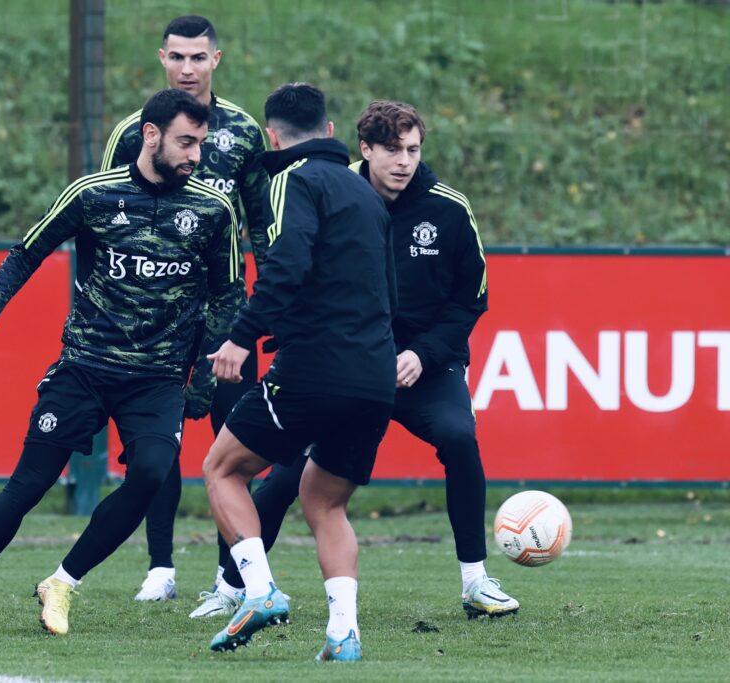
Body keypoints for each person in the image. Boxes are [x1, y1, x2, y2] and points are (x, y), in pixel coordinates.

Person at [0, 88, 243, 636]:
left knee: (149, 473)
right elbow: (24, 256)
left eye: (202, 144)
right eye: (186, 142)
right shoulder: (93, 194)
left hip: (158, 378)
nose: (196, 155)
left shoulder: (213, 208)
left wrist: (203, 381)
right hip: (84, 367)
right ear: (151, 135)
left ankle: (63, 582)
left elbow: (228, 298)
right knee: (27, 486)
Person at [194, 100, 519, 623]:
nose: (404, 161)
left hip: (422, 368)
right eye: (392, 149)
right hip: (349, 361)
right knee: (283, 480)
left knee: (460, 437)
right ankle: (232, 587)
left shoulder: (449, 209)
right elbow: (300, 270)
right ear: (363, 148)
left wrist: (422, 353)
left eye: (413, 149)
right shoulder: (336, 190)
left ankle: (476, 580)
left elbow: (470, 300)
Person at [202, 83, 397, 662]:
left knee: (222, 468)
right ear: (334, 132)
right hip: (373, 375)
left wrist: (241, 336)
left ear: (272, 136)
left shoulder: (293, 180)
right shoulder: (367, 196)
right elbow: (389, 292)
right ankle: (343, 634)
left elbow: (286, 266)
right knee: (324, 501)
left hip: (315, 366)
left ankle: (258, 592)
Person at [99, 14, 270, 603]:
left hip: (225, 314)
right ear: (162, 59)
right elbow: (104, 220)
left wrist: (268, 306)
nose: (188, 68)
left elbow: (263, 225)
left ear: (216, 61)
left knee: (234, 434)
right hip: (154, 316)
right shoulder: (133, 131)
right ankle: (161, 566)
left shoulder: (244, 132)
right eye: (177, 57)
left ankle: (231, 576)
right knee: (160, 439)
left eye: (199, 57)